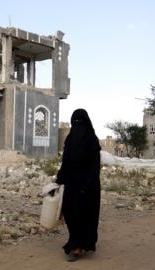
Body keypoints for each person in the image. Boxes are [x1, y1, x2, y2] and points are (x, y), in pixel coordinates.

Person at [55, 108, 101, 262]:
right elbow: (66, 161)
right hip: (72, 183)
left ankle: (79, 246)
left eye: (79, 123)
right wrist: (59, 179)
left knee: (86, 216)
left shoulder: (92, 139)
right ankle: (76, 242)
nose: (77, 126)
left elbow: (95, 165)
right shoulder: (70, 139)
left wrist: (87, 185)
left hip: (89, 185)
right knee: (69, 212)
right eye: (74, 123)